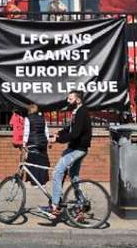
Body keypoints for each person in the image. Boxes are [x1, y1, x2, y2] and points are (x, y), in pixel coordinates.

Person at [41, 90, 92, 219]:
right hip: (77, 147)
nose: (68, 101)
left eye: (70, 99)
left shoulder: (82, 112)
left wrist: (57, 140)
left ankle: (54, 207)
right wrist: (59, 132)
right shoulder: (77, 112)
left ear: (78, 100)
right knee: (74, 176)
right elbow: (70, 129)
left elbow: (75, 134)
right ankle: (82, 204)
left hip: (78, 149)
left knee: (57, 172)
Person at [22, 104, 51, 186]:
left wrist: (24, 143)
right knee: (42, 162)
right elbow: (46, 131)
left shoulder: (28, 119)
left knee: (33, 161)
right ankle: (43, 181)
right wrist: (48, 141)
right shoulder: (42, 118)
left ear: (29, 110)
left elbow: (26, 132)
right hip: (43, 143)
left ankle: (34, 182)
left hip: (33, 142)